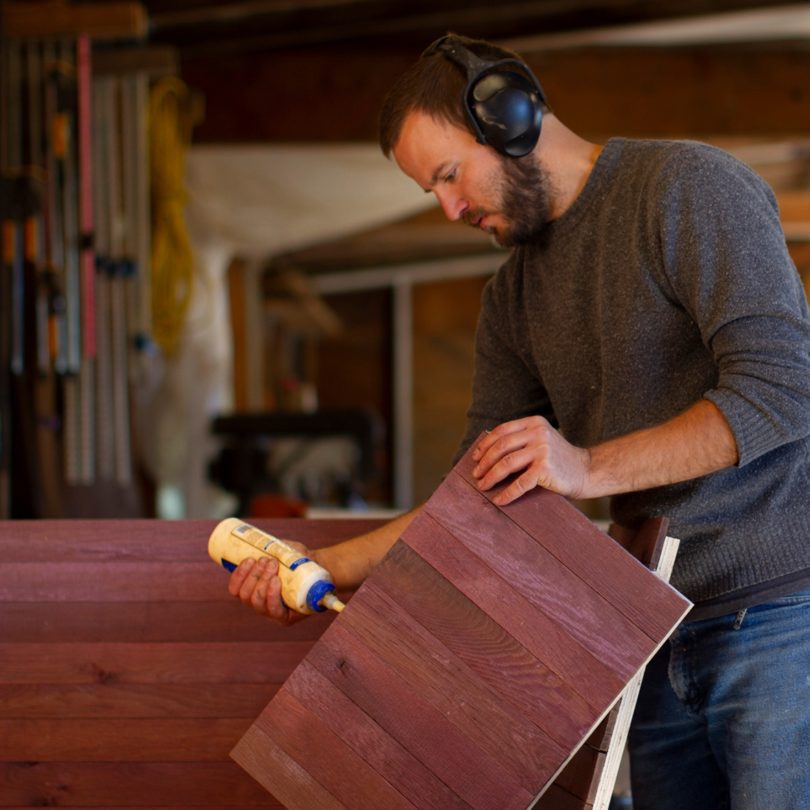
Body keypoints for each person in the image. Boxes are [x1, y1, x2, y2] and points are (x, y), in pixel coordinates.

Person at [229, 33, 810, 809]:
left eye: (448, 175)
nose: (449, 209)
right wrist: (322, 566)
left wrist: (585, 467)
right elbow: (474, 504)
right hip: (652, 636)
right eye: (429, 194)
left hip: (782, 619)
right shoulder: (512, 300)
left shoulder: (687, 188)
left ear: (511, 115)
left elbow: (785, 387)